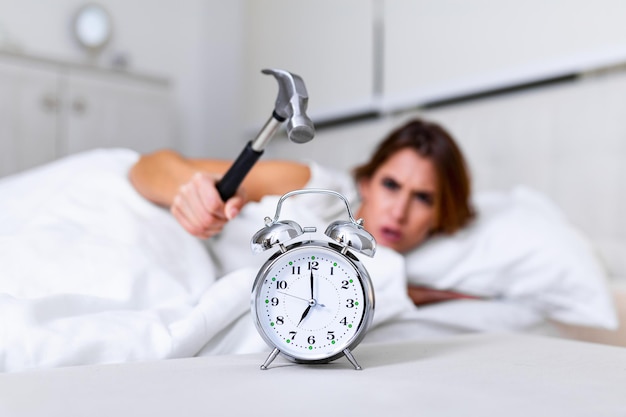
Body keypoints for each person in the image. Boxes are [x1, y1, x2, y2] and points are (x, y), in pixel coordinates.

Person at [129, 118, 476, 305]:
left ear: (441, 214)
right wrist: (192, 195)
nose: (399, 212)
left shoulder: (413, 274)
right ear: (366, 181)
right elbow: (148, 166)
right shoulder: (316, 189)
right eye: (390, 185)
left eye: (423, 199)